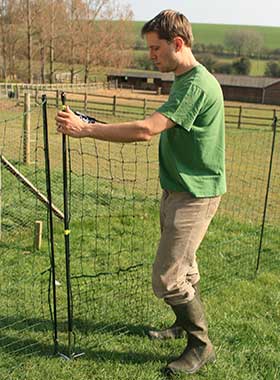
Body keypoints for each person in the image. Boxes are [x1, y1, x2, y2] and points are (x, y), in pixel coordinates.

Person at [56, 9, 226, 375]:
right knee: (186, 268)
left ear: (177, 44)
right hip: (178, 190)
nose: (150, 55)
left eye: (155, 48)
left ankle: (201, 345)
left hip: (196, 195)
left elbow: (147, 130)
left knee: (167, 277)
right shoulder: (184, 79)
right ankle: (183, 326)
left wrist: (85, 131)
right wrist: (90, 123)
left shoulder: (196, 85)